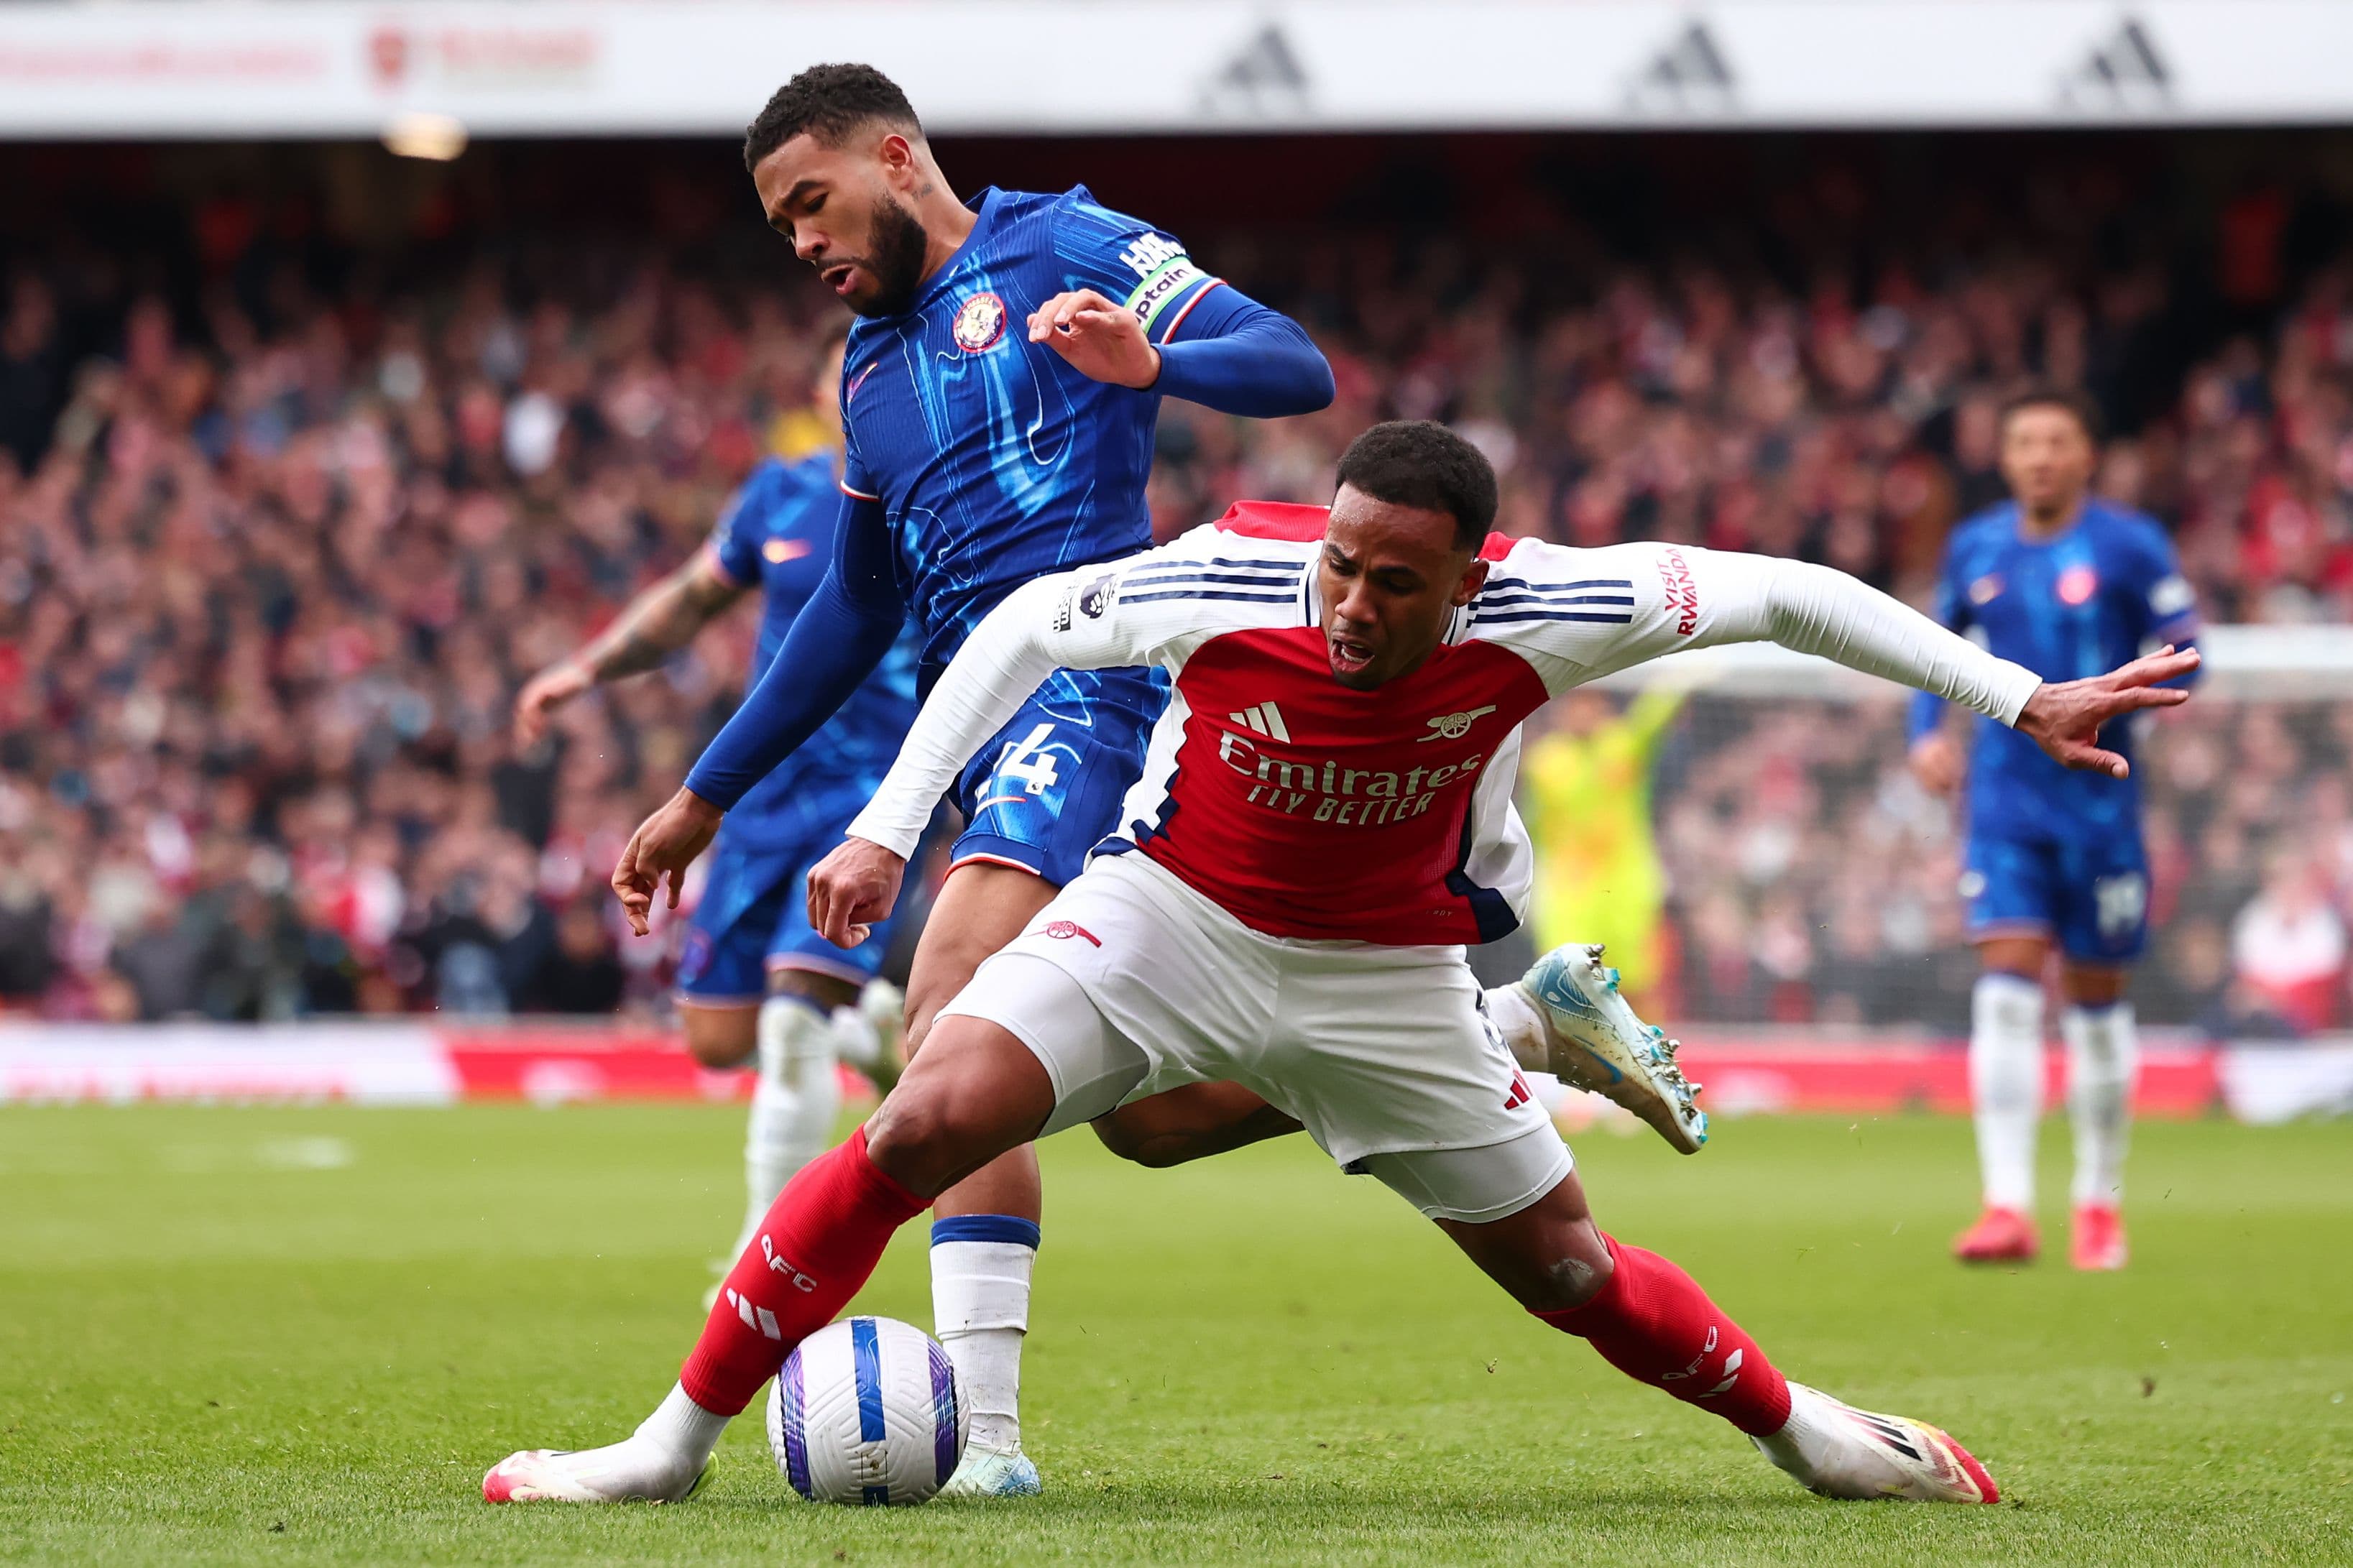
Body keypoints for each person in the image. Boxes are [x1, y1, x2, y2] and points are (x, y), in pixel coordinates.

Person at [487, 421, 2195, 1507]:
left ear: (1471, 575)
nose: (1353, 607)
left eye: (1395, 584)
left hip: (1381, 977)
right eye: (1339, 568)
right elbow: (1018, 627)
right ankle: (665, 1444)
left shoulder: (1563, 602)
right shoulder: (1228, 572)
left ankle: (1807, 1430)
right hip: (1167, 922)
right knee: (924, 1112)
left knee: (1574, 1279)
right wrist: (884, 822)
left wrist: (2007, 694)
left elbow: (1791, 594)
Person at [602, 63, 1674, 1495]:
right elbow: (849, 614)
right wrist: (705, 790)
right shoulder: (867, 376)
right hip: (988, 728)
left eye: (811, 199)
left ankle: (983, 1444)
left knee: (946, 1017)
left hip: (1108, 691)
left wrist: (1147, 360)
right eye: (777, 222)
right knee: (1150, 1119)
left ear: (895, 156)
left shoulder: (1063, 246)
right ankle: (1510, 1027)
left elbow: (1295, 367)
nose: (798, 240)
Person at [515, 324, 919, 1270]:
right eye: (841, 373)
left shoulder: (923, 497)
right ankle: (866, 1029)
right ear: (823, 394)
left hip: (870, 792)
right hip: (761, 792)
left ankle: (764, 1250)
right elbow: (691, 600)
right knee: (718, 1038)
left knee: (788, 1020)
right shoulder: (776, 494)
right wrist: (586, 668)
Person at [1909, 387, 2203, 1271]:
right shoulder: (1977, 544)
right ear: (2003, 458)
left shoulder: (2130, 543)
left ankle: (2098, 1205)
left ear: (2085, 455)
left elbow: (2190, 645)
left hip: (2103, 805)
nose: (2038, 455)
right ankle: (2005, 1204)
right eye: (2023, 441)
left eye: (2055, 441)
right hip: (2003, 805)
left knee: (2095, 1000)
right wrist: (1927, 736)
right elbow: (1933, 652)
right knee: (2003, 983)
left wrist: (2137, 705)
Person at [1521, 683, 1688, 1003]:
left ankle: (1644, 1050)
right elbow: (1535, 826)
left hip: (1626, 884)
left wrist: (1690, 670)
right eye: (1575, 704)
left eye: (1591, 703)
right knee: (1569, 979)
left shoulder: (1623, 746)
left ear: (1604, 707)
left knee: (1636, 981)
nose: (1583, 713)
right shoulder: (1544, 762)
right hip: (1571, 889)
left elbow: (1655, 713)